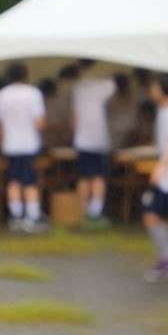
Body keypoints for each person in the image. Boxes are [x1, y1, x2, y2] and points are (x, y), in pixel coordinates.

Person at [0, 62, 48, 232]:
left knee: (13, 181)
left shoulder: (2, 95)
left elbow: (0, 124)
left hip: (10, 144)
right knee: (30, 182)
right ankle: (32, 216)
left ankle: (15, 216)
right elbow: (39, 123)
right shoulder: (33, 94)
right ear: (25, 75)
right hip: (29, 144)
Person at [71, 60, 116, 227]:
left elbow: (74, 115)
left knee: (83, 177)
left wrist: (75, 133)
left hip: (82, 139)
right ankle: (95, 213)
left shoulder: (78, 87)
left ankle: (82, 211)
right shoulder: (105, 85)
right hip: (99, 139)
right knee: (99, 177)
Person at [141, 72, 168, 282]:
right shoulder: (164, 111)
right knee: (157, 216)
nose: (152, 91)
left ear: (165, 89)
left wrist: (161, 166)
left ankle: (167, 259)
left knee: (154, 215)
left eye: (155, 87)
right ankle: (167, 258)